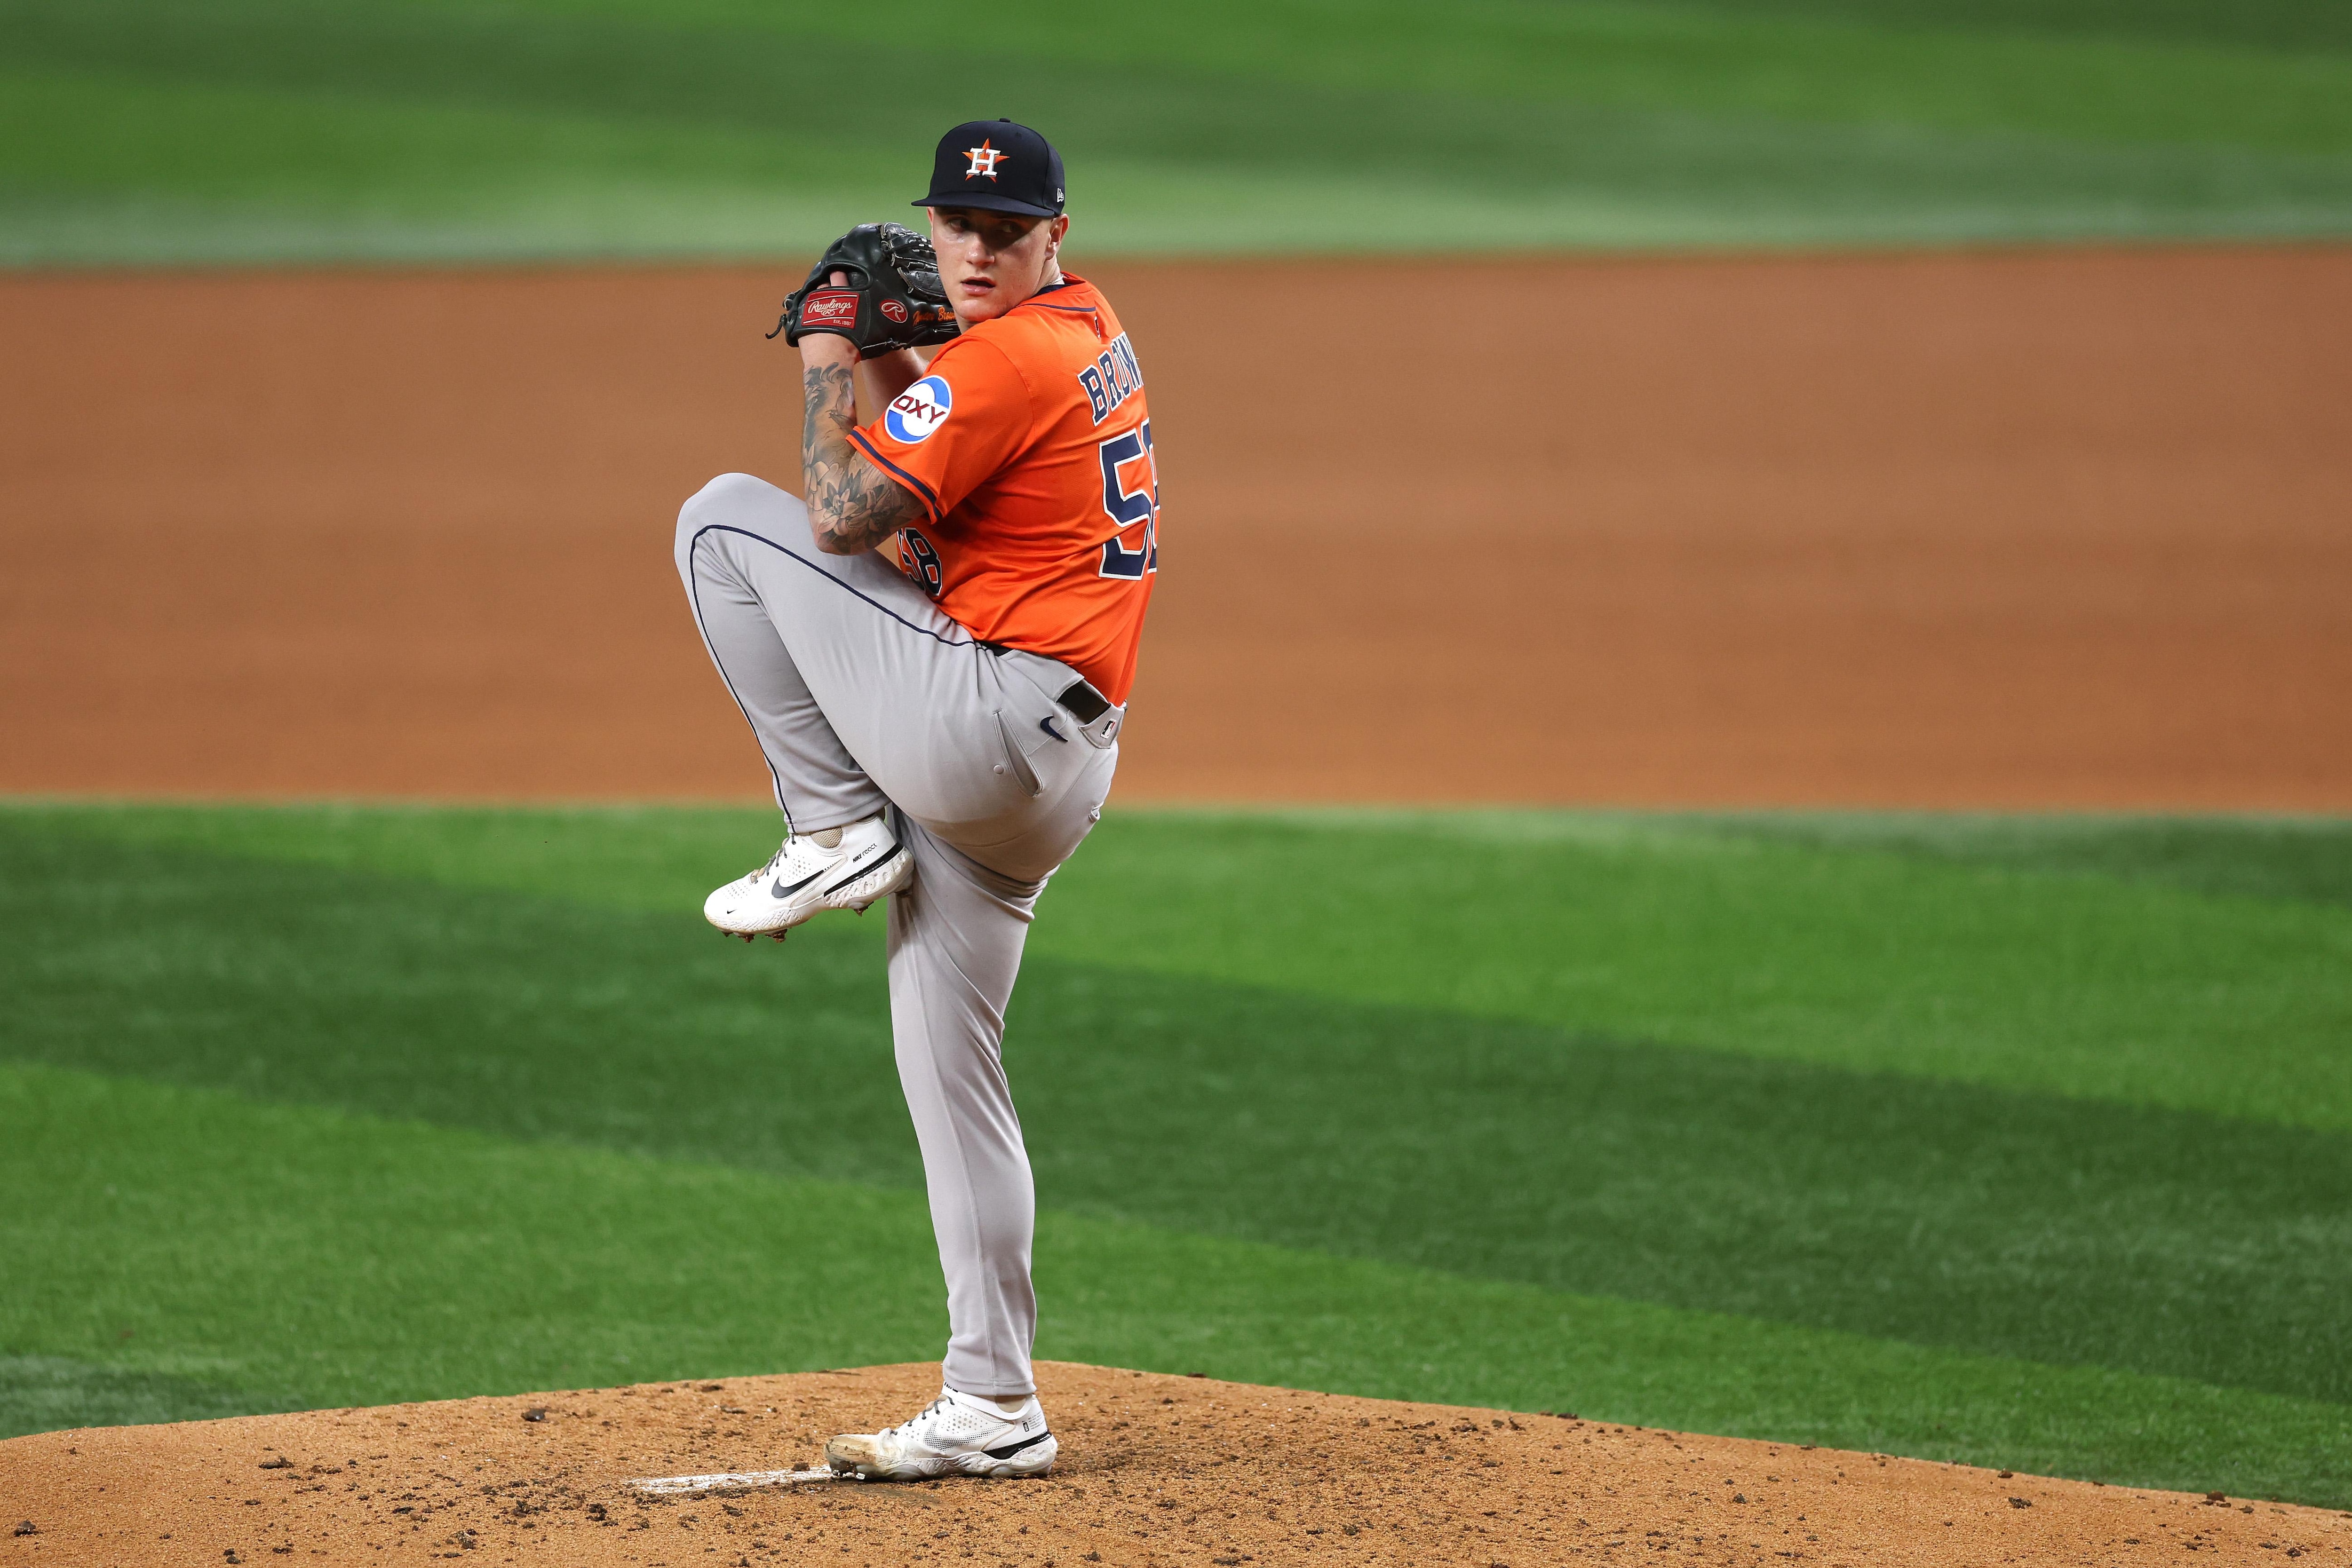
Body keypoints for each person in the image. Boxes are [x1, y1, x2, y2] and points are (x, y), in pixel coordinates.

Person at [671, 119, 1158, 1481]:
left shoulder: (1006, 359)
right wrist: (895, 356)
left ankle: (832, 825)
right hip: (1051, 763)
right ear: (937, 224)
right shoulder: (1084, 333)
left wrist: (831, 342)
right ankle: (995, 1402)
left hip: (983, 729)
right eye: (960, 228)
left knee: (720, 520)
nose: (979, 252)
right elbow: (925, 495)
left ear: (1056, 232)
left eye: (1007, 232)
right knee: (955, 1083)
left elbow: (839, 513)